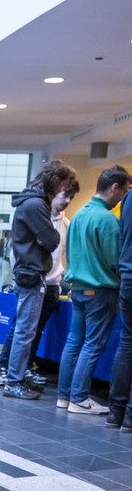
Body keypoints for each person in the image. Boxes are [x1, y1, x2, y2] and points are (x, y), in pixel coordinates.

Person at [1, 161, 79, 400]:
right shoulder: (36, 205)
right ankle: (13, 380)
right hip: (32, 275)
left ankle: (15, 377)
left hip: (31, 274)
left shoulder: (33, 202)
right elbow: (53, 241)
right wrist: (46, 238)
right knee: (25, 332)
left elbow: (49, 240)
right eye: (63, 186)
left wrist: (45, 238)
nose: (64, 193)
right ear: (55, 181)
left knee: (25, 331)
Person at [57, 164, 131, 415]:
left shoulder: (78, 215)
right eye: (125, 191)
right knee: (92, 345)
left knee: (74, 342)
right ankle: (79, 398)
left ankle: (64, 397)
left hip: (77, 289)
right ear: (115, 187)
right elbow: (116, 260)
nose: (125, 198)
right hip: (101, 291)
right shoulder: (108, 219)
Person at [108, 184, 132, 430]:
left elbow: (122, 238)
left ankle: (116, 413)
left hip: (127, 278)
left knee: (127, 344)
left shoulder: (128, 197)